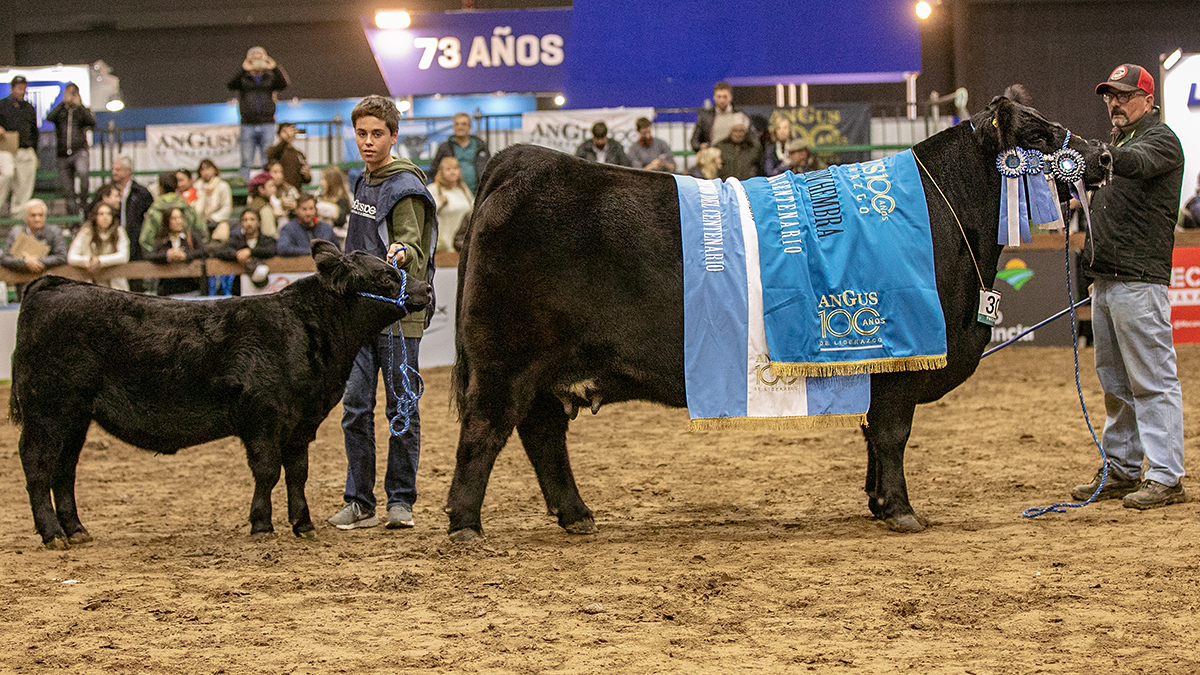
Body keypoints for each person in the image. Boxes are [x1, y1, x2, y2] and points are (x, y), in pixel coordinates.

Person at [1070, 64, 1187, 510]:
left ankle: (1165, 476)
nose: (1114, 103)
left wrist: (1096, 155)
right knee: (1115, 382)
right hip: (1109, 279)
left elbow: (1135, 164)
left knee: (1153, 382)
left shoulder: (1161, 140)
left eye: (1122, 95)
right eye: (1109, 97)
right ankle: (1121, 467)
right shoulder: (1120, 145)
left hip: (1140, 281)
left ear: (1146, 100)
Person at [328, 95, 436, 531]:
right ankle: (359, 500)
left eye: (377, 134)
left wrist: (402, 253)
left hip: (396, 316)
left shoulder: (404, 188)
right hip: (360, 313)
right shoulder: (363, 182)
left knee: (400, 408)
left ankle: (400, 501)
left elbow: (412, 243)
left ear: (394, 136)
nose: (368, 142)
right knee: (354, 407)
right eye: (361, 133)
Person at [228, 47, 289, 181]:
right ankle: (244, 189)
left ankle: (267, 185)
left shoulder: (270, 78)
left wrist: (274, 67)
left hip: (267, 123)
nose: (257, 60)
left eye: (259, 56)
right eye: (253, 57)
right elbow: (231, 85)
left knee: (266, 160)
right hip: (247, 125)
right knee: (246, 161)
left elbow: (283, 84)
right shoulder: (244, 79)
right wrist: (244, 69)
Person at [46, 82, 97, 216]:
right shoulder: (60, 111)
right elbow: (50, 117)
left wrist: (79, 106)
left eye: (73, 93)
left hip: (79, 150)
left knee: (84, 176)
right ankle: (73, 219)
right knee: (68, 191)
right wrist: (63, 104)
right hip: (63, 154)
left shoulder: (81, 111)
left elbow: (92, 123)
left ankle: (84, 206)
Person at [1, 200, 69, 296]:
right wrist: (25, 261)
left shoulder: (54, 232)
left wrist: (37, 261)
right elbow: (4, 258)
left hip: (49, 283)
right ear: (26, 217)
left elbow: (62, 256)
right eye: (33, 215)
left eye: (40, 215)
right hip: (22, 281)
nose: (37, 219)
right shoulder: (16, 232)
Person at [0, 76, 40, 218]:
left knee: (24, 187)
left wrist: (35, 151)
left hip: (25, 149)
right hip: (5, 149)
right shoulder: (2, 105)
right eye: (19, 88)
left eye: (24, 89)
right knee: (7, 173)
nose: (22, 92)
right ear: (12, 88)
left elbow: (35, 131)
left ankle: (17, 218)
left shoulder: (28, 107)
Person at [139, 171, 206, 256]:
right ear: (177, 186)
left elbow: (145, 240)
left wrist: (158, 254)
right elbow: (201, 233)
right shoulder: (188, 209)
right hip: (187, 259)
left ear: (160, 188)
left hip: (160, 263)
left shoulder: (154, 211)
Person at [68, 201, 130, 290]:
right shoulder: (86, 233)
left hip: (115, 285)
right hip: (91, 285)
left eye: (109, 214)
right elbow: (71, 257)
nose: (105, 217)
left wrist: (100, 261)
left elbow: (124, 256)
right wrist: (88, 261)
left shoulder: (119, 232)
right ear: (95, 216)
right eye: (101, 214)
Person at [212, 208, 277, 291]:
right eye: (245, 220)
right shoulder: (237, 239)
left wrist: (250, 252)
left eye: (252, 219)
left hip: (268, 287)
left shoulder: (267, 240)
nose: (248, 223)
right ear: (241, 223)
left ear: (259, 222)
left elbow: (271, 250)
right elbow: (220, 251)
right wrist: (236, 255)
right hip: (240, 288)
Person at [145, 206, 205, 296]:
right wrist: (167, 254)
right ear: (167, 221)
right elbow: (150, 255)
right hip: (167, 291)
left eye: (180, 218)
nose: (178, 221)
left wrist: (186, 255)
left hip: (191, 289)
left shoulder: (190, 237)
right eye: (174, 218)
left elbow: (204, 252)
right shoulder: (161, 239)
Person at [429, 112, 490, 194]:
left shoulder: (480, 146)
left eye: (464, 124)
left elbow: (489, 168)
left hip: (478, 193)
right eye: (456, 124)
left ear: (470, 127)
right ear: (453, 127)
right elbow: (434, 169)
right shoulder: (445, 147)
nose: (460, 127)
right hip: (452, 194)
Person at [426, 156, 473, 252]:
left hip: (462, 246)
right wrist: (439, 202)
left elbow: (473, 208)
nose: (453, 172)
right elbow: (425, 212)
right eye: (448, 169)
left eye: (455, 168)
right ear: (441, 171)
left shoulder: (463, 188)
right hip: (442, 248)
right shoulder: (434, 189)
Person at [111, 156, 154, 262]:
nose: (114, 172)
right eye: (113, 169)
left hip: (135, 241)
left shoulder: (141, 192)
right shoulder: (107, 191)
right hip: (112, 239)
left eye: (118, 169)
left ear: (128, 171)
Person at [690, 81, 740, 152]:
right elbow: (694, 142)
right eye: (719, 97)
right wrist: (702, 146)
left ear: (730, 97)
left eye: (725, 97)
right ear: (714, 97)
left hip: (735, 156)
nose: (722, 100)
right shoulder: (705, 117)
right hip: (713, 156)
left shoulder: (740, 115)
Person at [715, 114, 762, 181]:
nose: (738, 134)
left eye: (741, 131)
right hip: (726, 185)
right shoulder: (720, 147)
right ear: (730, 131)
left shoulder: (754, 147)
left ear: (745, 131)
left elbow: (760, 169)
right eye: (735, 131)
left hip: (748, 185)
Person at [194, 158, 233, 240]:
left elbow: (227, 207)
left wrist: (212, 217)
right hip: (200, 222)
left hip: (218, 220)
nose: (205, 172)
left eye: (208, 168)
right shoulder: (196, 187)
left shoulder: (223, 186)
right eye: (202, 170)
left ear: (214, 170)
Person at [266, 122, 311, 191]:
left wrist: (307, 175)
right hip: (279, 191)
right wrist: (285, 140)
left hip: (295, 191)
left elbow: (306, 180)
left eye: (291, 131)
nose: (289, 134)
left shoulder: (299, 154)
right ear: (279, 134)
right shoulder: (273, 150)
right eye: (285, 131)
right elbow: (274, 155)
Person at [318, 165, 351, 235]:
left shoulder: (342, 199)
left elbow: (342, 220)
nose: (321, 182)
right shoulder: (321, 196)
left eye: (323, 179)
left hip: (338, 235)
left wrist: (330, 221)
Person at [246, 171, 279, 238]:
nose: (274, 189)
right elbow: (270, 233)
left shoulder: (251, 204)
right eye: (271, 186)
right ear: (261, 189)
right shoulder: (265, 208)